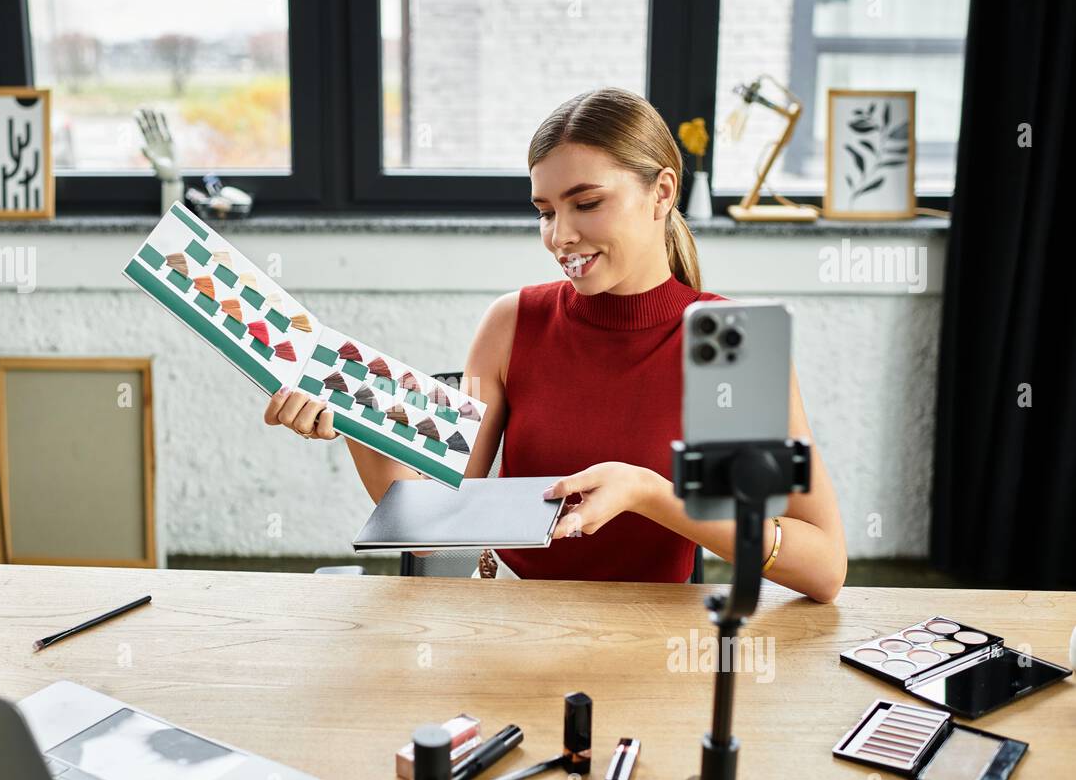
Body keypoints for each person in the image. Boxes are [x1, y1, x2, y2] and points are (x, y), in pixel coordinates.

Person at [264, 87, 846, 601]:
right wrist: (354, 426)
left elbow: (823, 568)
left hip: (651, 641)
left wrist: (648, 492)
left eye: (587, 204)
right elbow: (434, 519)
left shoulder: (730, 342)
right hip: (512, 621)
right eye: (545, 212)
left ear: (662, 192)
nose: (560, 236)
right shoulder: (512, 322)